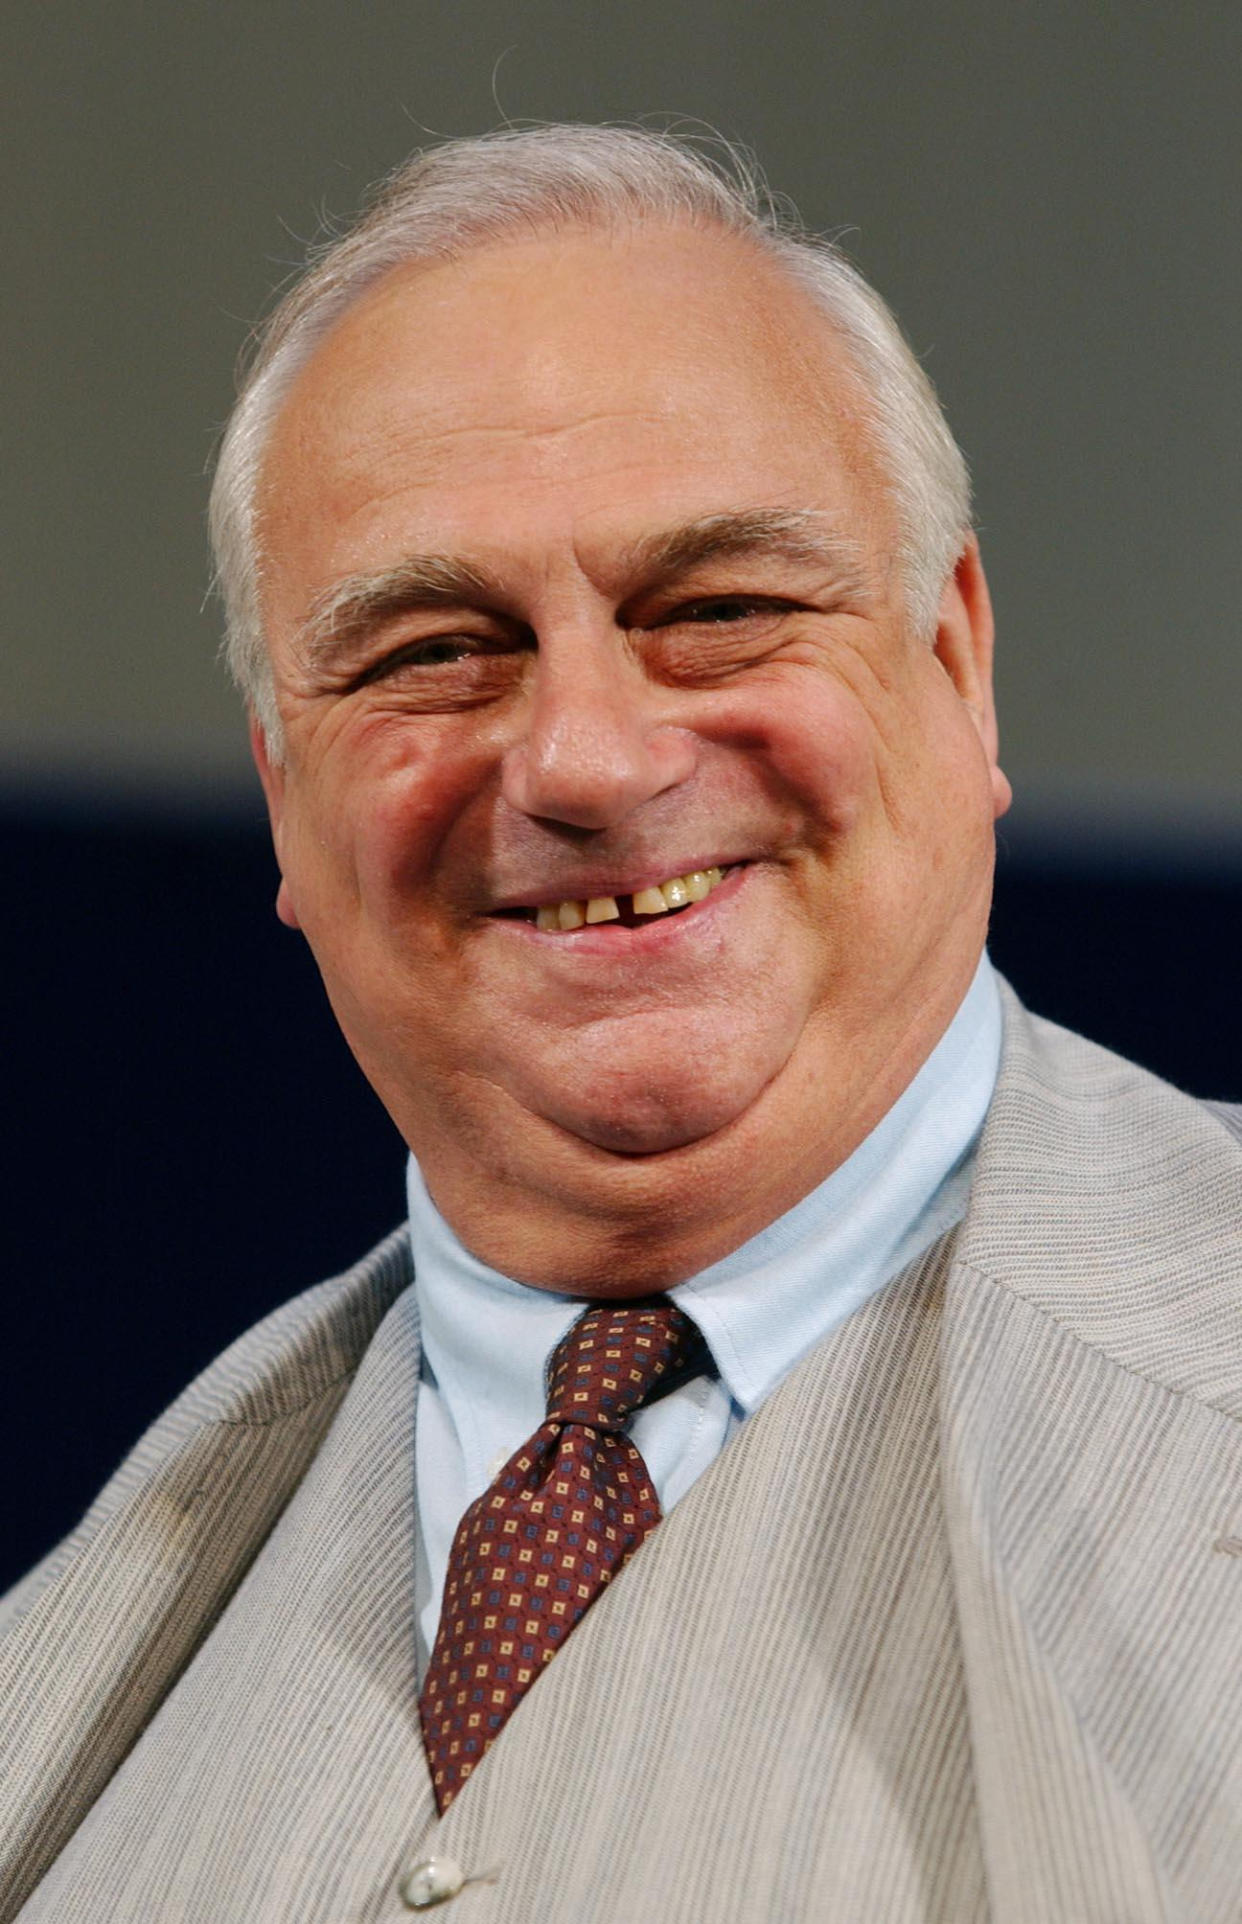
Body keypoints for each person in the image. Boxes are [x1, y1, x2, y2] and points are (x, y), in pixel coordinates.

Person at [2, 125, 1240, 1924]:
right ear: (284, 801)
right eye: (432, 649)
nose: (582, 756)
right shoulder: (73, 1676)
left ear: (954, 664)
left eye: (719, 610)